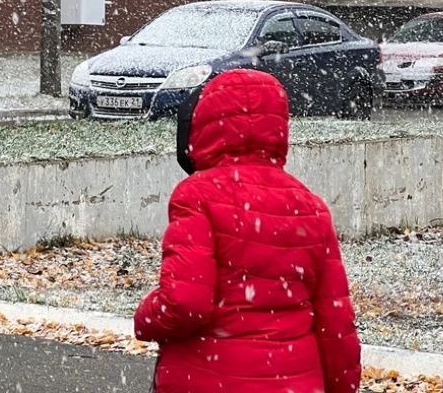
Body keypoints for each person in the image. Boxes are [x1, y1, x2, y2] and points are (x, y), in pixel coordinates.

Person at [134, 68, 361, 393]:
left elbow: (185, 304)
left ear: (204, 124)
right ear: (279, 127)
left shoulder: (196, 195)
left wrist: (145, 317)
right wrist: (343, 386)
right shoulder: (311, 207)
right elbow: (335, 323)